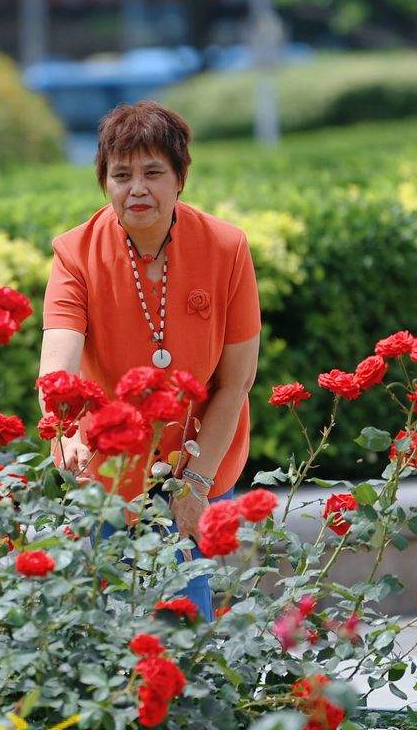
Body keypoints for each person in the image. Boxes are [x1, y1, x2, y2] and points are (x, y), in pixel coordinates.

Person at [39, 101, 260, 618]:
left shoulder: (227, 248)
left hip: (196, 459)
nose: (137, 188)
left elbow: (235, 382)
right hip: (107, 465)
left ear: (180, 177)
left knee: (186, 617)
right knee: (104, 625)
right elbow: (58, 367)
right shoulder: (75, 253)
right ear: (105, 184)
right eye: (121, 175)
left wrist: (196, 485)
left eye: (153, 173)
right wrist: (65, 429)